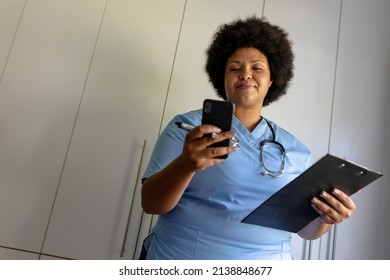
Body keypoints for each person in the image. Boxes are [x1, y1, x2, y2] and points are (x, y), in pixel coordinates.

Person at [140, 16, 356, 260]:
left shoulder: (296, 151)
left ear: (272, 79)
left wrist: (326, 217)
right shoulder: (186, 127)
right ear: (222, 79)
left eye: (257, 68)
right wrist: (185, 165)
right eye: (235, 68)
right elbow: (151, 204)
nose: (245, 74)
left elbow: (306, 230)